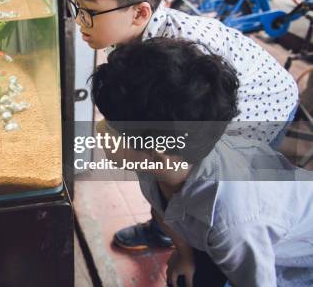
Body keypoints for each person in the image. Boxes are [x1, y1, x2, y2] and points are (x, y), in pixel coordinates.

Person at [62, 0, 299, 250]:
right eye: (74, 6)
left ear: (139, 12)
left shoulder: (178, 59)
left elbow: (175, 156)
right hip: (220, 102)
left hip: (263, 104)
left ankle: (207, 248)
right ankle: (169, 229)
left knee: (216, 187)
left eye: (88, 12)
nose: (78, 21)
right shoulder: (132, 34)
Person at [90, 38, 313, 286]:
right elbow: (163, 210)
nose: (99, 129)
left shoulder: (233, 222)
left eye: (109, 125)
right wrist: (184, 254)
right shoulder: (157, 164)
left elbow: (257, 280)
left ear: (155, 151)